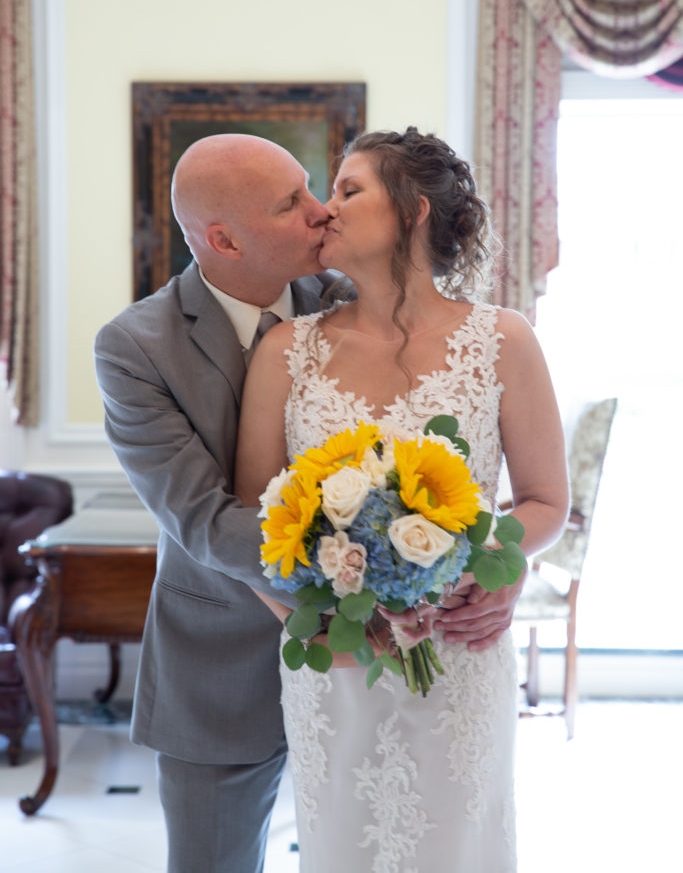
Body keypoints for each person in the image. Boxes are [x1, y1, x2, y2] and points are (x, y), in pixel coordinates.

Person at [235, 127, 569, 872]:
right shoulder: (286, 349)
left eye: (349, 189)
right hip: (334, 663)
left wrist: (498, 570)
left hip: (458, 648)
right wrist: (315, 625)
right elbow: (254, 526)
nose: (325, 209)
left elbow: (544, 502)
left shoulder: (502, 341)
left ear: (414, 211)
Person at [94, 133, 334, 873]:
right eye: (291, 202)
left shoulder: (355, 306)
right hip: (217, 666)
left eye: (311, 188)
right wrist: (347, 591)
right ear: (224, 239)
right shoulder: (134, 348)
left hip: (376, 666)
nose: (320, 212)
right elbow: (202, 519)